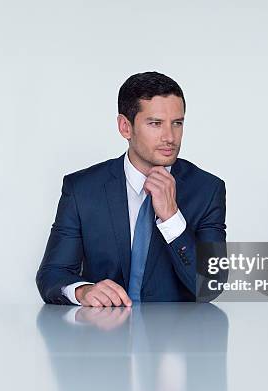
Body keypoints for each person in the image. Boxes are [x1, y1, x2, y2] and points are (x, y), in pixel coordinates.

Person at [36, 71, 226, 306]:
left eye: (177, 123)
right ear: (125, 127)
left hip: (178, 339)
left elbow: (211, 285)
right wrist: (83, 291)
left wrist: (171, 217)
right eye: (156, 124)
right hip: (101, 336)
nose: (170, 137)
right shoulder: (81, 189)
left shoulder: (207, 190)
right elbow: (52, 274)